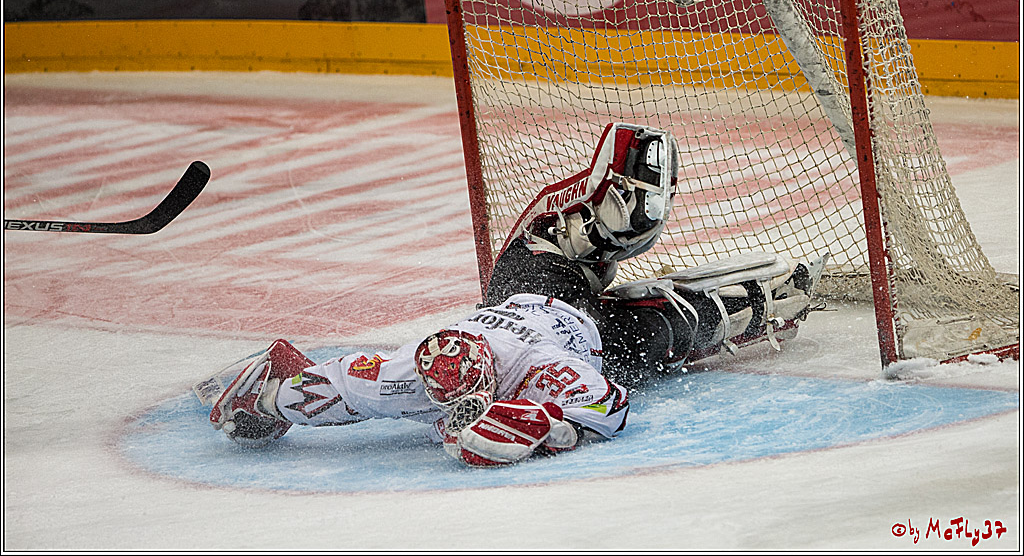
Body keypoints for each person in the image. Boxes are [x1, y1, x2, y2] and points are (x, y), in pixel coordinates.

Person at [198, 123, 826, 467]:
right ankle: (762, 302)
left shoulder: (539, 369)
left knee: (614, 225)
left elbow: (610, 411)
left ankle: (612, 189)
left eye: (473, 397)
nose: (464, 410)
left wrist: (540, 423)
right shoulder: (407, 373)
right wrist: (267, 403)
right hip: (589, 330)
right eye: (461, 399)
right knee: (668, 332)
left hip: (535, 287)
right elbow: (324, 385)